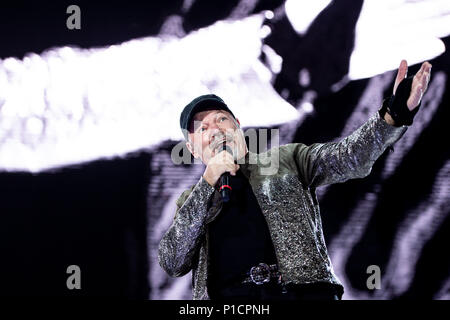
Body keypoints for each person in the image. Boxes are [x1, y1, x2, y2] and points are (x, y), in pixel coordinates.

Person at [158, 60, 432, 300]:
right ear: (193, 149)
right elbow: (173, 261)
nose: (215, 130)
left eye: (221, 120)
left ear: (238, 126)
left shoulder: (287, 159)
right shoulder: (191, 200)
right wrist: (208, 183)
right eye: (202, 128)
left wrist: (393, 115)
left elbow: (350, 157)